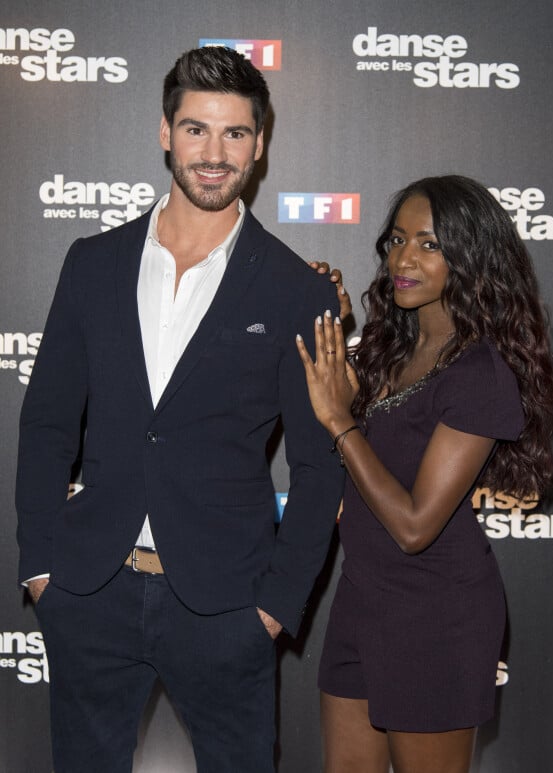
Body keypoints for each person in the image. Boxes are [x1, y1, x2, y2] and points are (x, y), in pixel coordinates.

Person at [15, 46, 348, 773]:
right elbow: (45, 423)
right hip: (89, 590)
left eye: (235, 134)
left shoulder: (299, 291)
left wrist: (273, 607)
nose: (213, 153)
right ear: (165, 132)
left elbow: (320, 467)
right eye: (196, 129)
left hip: (227, 606)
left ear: (259, 146)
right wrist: (41, 565)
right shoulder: (91, 262)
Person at [296, 175, 553, 773]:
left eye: (428, 244)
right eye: (395, 240)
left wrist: (341, 422)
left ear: (469, 256)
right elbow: (340, 400)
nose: (403, 259)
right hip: (362, 601)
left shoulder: (481, 373)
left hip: (438, 618)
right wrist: (327, 319)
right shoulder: (393, 347)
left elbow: (415, 526)